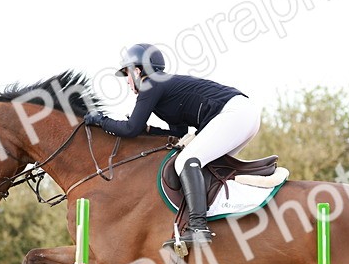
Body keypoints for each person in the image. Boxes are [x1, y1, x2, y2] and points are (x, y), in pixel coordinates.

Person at [84, 43, 261, 246]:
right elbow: (178, 133)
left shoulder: (151, 84)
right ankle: (222, 214)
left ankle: (198, 227)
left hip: (234, 114)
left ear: (137, 70)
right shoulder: (163, 88)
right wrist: (151, 131)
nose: (127, 82)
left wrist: (100, 120)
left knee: (185, 161)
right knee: (203, 164)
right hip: (242, 115)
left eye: (127, 74)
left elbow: (131, 129)